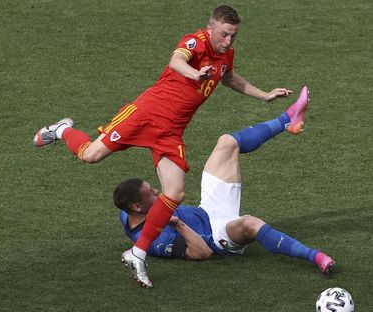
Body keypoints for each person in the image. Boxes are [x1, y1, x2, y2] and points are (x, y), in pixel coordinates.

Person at [33, 5, 296, 287]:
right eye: (224, 35)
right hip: (145, 115)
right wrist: (195, 75)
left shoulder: (225, 54)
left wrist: (264, 95)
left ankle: (138, 252)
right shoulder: (195, 42)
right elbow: (176, 61)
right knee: (90, 154)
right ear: (211, 28)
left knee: (175, 192)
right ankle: (62, 130)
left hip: (171, 132)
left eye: (233, 36)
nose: (228, 41)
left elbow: (229, 77)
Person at [113, 89, 334, 287]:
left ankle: (288, 120)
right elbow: (202, 253)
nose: (157, 193)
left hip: (208, 208)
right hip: (217, 235)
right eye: (150, 194)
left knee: (227, 143)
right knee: (250, 223)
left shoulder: (127, 213)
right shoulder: (158, 242)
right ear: (137, 206)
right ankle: (315, 256)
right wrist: (177, 223)